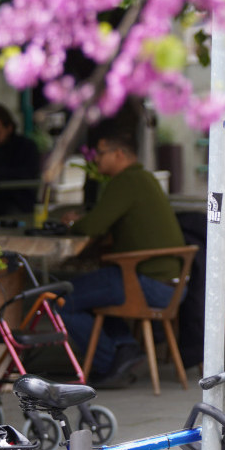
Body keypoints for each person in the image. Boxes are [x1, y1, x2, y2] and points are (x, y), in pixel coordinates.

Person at [59, 123, 185, 388]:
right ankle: (126, 349)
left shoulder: (125, 181)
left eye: (100, 154)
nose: (95, 159)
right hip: (172, 284)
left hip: (148, 285)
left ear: (119, 155)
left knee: (61, 299)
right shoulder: (145, 178)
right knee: (97, 290)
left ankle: (109, 363)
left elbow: (93, 226)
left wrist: (72, 223)